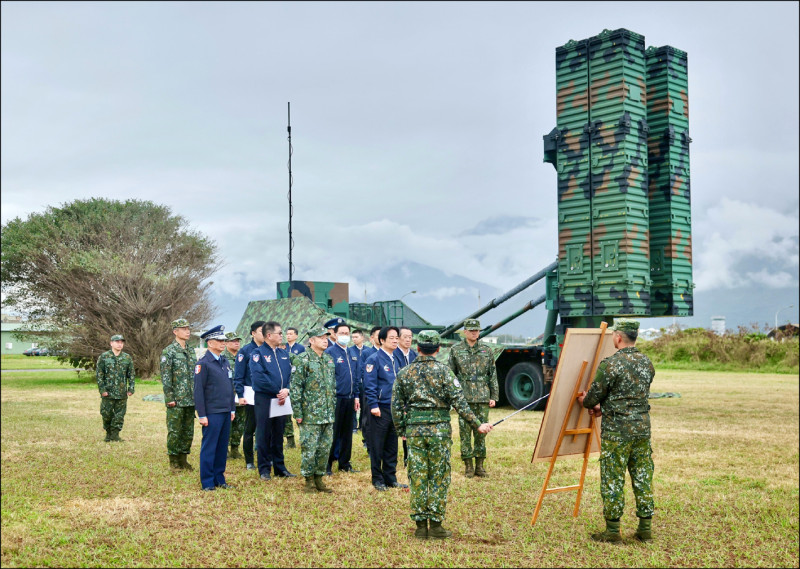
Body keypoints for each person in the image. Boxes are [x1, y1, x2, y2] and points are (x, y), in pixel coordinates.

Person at [392, 330, 494, 539]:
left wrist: (402, 429)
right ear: (438, 349)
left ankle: (421, 526)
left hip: (415, 431)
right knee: (438, 476)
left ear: (417, 348)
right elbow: (460, 403)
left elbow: (395, 406)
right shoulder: (445, 372)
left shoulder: (404, 372)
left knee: (418, 476)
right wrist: (478, 425)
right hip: (439, 431)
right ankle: (436, 525)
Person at [578, 319, 656, 543]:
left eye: (613, 334)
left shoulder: (610, 365)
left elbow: (592, 398)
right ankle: (645, 530)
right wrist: (608, 406)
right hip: (642, 429)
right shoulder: (647, 362)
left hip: (617, 432)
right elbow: (631, 396)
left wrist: (589, 401)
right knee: (642, 476)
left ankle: (612, 532)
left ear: (618, 337)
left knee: (613, 478)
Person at [447, 318, 498, 478]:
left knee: (481, 432)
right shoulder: (456, 350)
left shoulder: (486, 350)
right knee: (465, 433)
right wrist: (453, 399)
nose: (475, 333)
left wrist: (494, 396)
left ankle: (480, 466)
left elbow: (492, 374)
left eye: (477, 330)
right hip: (464, 397)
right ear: (465, 332)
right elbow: (451, 375)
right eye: (471, 330)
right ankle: (468, 466)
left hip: (482, 396)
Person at [289, 327, 337, 493]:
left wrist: (333, 408)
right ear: (311, 340)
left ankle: (319, 478)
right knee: (310, 448)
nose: (325, 340)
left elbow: (332, 387)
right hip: (310, 415)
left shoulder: (328, 359)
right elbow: (295, 388)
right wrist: (298, 413)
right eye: (321, 337)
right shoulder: (302, 360)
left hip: (327, 414)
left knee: (324, 448)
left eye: (326, 337)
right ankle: (308, 480)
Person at [363, 326, 407, 491]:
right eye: (392, 338)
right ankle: (377, 479)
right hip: (380, 407)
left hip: (394, 408)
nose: (396, 340)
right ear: (382, 340)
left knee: (391, 445)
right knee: (377, 444)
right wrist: (373, 405)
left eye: (397, 337)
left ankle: (391, 478)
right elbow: (370, 385)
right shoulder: (374, 359)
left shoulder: (397, 358)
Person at [250, 321, 295, 480]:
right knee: (264, 434)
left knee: (278, 433)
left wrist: (287, 389)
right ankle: (264, 469)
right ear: (269, 335)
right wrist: (277, 391)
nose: (282, 336)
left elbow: (291, 375)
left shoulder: (284, 354)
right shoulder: (258, 354)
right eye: (280, 333)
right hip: (266, 399)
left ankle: (280, 467)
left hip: (282, 399)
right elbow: (259, 379)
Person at [194, 325, 236, 491]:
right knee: (210, 447)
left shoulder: (224, 361)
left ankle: (220, 478)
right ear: (210, 343)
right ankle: (207, 481)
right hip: (212, 412)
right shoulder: (203, 364)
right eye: (219, 340)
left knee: (221, 448)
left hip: (225, 411)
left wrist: (232, 408)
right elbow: (198, 391)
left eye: (223, 340)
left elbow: (229, 386)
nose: (223, 343)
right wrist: (202, 414)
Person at [161, 318, 197, 472]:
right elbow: (166, 377)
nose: (187, 331)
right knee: (175, 431)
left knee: (188, 431)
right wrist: (170, 398)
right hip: (176, 399)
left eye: (188, 328)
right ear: (175, 331)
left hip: (190, 399)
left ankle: (183, 459)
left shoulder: (190, 350)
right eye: (184, 329)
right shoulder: (168, 351)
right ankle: (174, 461)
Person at [324, 322, 361, 474]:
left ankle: (345, 463)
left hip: (350, 398)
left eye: (347, 333)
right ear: (335, 334)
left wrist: (357, 396)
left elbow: (357, 376)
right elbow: (327, 377)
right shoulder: (330, 352)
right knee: (333, 432)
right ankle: (327, 464)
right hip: (336, 398)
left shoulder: (353, 353)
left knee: (347, 433)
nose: (345, 336)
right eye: (342, 333)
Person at [234, 320, 265, 471]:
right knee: (250, 428)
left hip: (267, 394)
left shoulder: (269, 350)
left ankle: (265, 458)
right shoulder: (245, 351)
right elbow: (238, 375)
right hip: (251, 394)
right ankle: (249, 461)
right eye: (261, 331)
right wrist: (240, 394)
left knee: (266, 429)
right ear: (253, 333)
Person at [96, 334, 135, 442]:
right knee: (106, 413)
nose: (119, 344)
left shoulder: (127, 357)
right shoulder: (104, 357)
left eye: (121, 342)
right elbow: (99, 375)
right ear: (111, 343)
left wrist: (131, 388)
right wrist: (102, 390)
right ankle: (108, 433)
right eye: (117, 342)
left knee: (119, 415)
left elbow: (131, 374)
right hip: (108, 392)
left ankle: (115, 435)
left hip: (122, 392)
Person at [394, 327, 418, 468]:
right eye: (405, 337)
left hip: (412, 397)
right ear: (398, 338)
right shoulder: (394, 354)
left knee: (410, 428)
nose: (408, 339)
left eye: (410, 337)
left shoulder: (414, 355)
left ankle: (408, 458)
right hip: (398, 397)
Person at [222, 331, 246, 459]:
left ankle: (235, 448)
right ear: (226, 343)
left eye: (238, 340)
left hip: (241, 395)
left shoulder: (242, 357)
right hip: (228, 396)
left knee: (240, 423)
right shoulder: (222, 358)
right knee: (227, 424)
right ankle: (224, 449)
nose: (236, 343)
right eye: (233, 341)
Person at [358, 326, 382, 453]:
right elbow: (363, 371)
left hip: (383, 392)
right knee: (367, 418)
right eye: (378, 335)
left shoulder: (388, 352)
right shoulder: (367, 353)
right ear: (372, 337)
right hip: (370, 390)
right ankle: (367, 442)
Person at [283, 327, 305, 449]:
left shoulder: (300, 348)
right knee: (286, 414)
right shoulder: (283, 347)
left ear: (296, 336)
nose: (288, 336)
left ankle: (303, 438)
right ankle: (290, 440)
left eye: (291, 334)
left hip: (296, 382)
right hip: (286, 382)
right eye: (287, 334)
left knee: (299, 412)